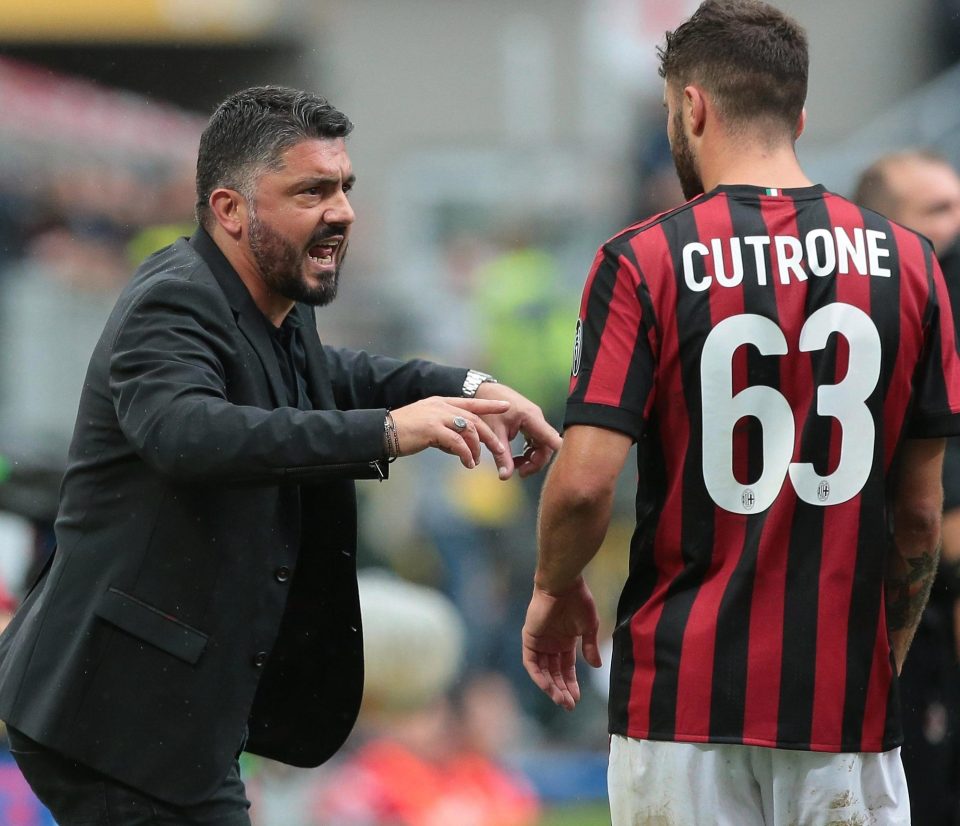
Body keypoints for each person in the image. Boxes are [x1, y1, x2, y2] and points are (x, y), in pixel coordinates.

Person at [0, 85, 561, 825]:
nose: (343, 211)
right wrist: (389, 433)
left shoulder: (267, 296)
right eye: (312, 190)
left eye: (346, 187)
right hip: (116, 717)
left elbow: (336, 376)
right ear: (231, 209)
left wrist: (471, 386)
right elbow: (187, 432)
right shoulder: (175, 296)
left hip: (167, 719)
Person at [520, 2, 960, 825]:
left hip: (682, 704)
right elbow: (919, 513)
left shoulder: (642, 257)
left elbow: (584, 489)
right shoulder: (911, 263)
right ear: (798, 114)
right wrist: (881, 659)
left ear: (691, 107)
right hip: (842, 705)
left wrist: (553, 587)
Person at [854, 149, 960, 826]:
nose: (955, 229)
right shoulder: (892, 328)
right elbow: (936, 519)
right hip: (894, 624)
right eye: (937, 211)